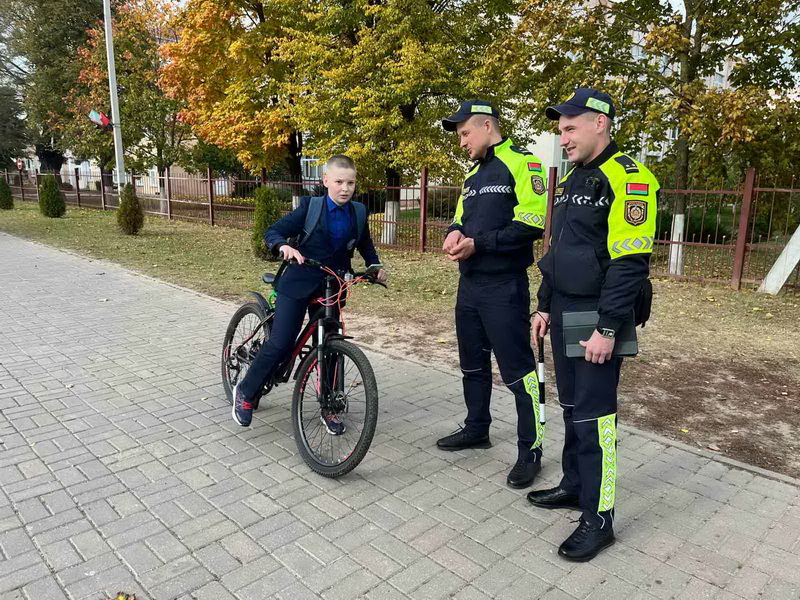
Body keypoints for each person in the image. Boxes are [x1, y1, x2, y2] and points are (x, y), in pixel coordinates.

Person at [528, 89, 659, 561]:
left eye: (569, 128)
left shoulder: (628, 177)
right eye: (560, 130)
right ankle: (573, 484)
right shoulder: (573, 178)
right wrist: (543, 305)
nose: (562, 138)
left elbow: (629, 265)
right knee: (571, 408)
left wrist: (607, 327)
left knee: (596, 417)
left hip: (597, 315)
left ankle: (598, 518)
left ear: (600, 124)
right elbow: (558, 250)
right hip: (563, 307)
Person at [436, 99, 548, 489]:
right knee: (472, 363)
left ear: (487, 126)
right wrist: (452, 231)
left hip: (504, 286)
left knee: (518, 372)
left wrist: (477, 244)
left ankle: (530, 449)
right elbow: (460, 217)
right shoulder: (472, 174)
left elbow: (532, 223)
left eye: (465, 133)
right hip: (469, 285)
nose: (462, 142)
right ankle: (476, 428)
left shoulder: (524, 162)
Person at [231, 155, 387, 431]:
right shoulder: (310, 207)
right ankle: (245, 390)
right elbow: (274, 231)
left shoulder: (359, 212)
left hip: (333, 286)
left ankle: (330, 407)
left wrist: (374, 266)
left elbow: (365, 244)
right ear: (326, 181)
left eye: (350, 182)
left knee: (331, 347)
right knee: (281, 343)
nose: (345, 188)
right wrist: (284, 247)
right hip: (298, 281)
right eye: (339, 181)